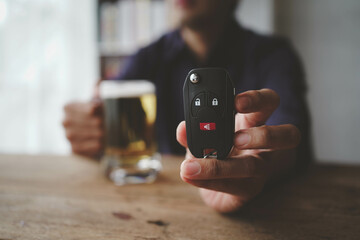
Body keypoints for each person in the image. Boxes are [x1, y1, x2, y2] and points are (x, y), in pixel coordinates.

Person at [63, 0, 312, 213]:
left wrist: (261, 166)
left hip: (273, 207)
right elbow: (102, 111)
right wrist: (90, 122)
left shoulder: (273, 55)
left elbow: (290, 139)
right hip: (155, 202)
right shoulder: (146, 57)